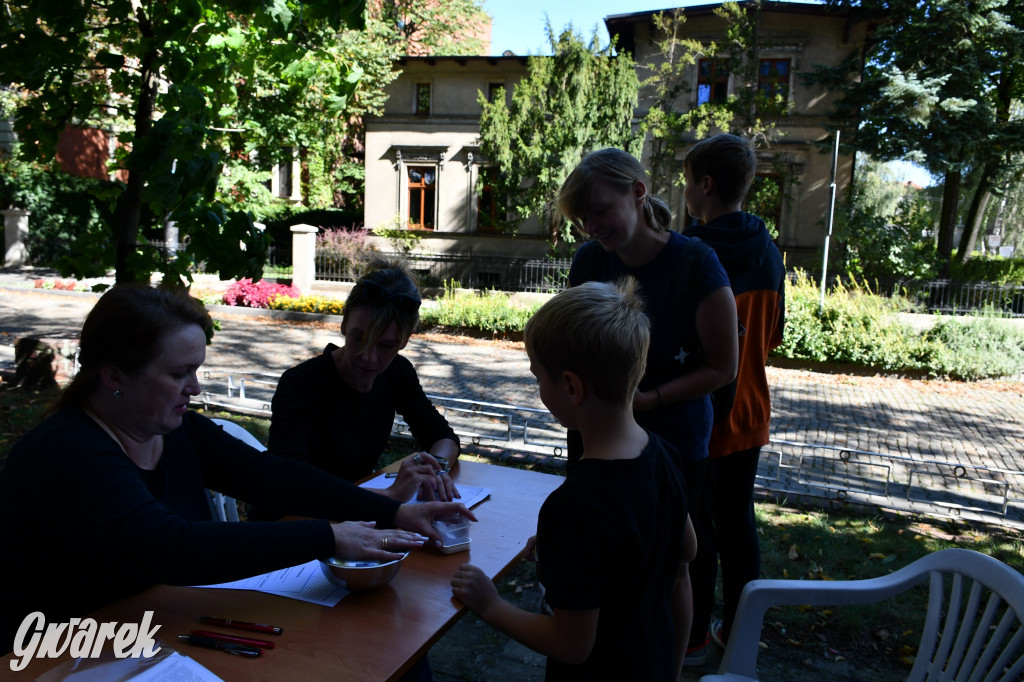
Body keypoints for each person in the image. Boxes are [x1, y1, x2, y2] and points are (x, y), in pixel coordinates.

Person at [0, 285, 474, 656]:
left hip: (155, 631)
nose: (196, 387)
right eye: (179, 373)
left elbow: (269, 475)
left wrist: (394, 514)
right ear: (115, 376)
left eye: (197, 370)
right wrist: (328, 537)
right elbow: (171, 548)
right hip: (58, 655)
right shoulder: (69, 453)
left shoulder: (173, 429)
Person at [451, 279, 696, 680]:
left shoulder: (576, 507)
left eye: (537, 378)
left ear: (570, 386)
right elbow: (683, 558)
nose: (539, 390)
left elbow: (571, 645)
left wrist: (491, 605)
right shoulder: (665, 456)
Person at [557, 147, 738, 506]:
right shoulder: (589, 260)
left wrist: (647, 400)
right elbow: (571, 343)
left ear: (638, 193)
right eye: (582, 218)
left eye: (599, 210)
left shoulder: (696, 264)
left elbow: (724, 368)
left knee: (672, 555)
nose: (591, 227)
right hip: (597, 438)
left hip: (674, 444)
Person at [680, 133, 786, 664]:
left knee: (698, 530)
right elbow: (775, 337)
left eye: (687, 183)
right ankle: (741, 633)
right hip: (751, 411)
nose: (684, 195)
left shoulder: (697, 254)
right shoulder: (769, 250)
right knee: (739, 524)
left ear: (706, 184)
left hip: (708, 413)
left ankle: (693, 635)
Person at [262, 258, 459, 509]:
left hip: (356, 522)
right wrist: (388, 498)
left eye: (386, 345)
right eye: (359, 338)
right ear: (344, 322)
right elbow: (291, 484)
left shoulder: (397, 373)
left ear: (405, 340)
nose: (368, 357)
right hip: (295, 528)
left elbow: (443, 437)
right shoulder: (301, 384)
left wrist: (437, 470)